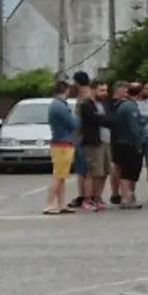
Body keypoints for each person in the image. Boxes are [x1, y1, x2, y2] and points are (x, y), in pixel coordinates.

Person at [77, 79, 113, 211]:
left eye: (106, 90)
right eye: (101, 90)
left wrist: (102, 118)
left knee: (104, 172)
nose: (105, 93)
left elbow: (110, 119)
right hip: (93, 142)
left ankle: (98, 197)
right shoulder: (86, 104)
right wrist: (102, 118)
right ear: (93, 90)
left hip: (106, 142)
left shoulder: (105, 104)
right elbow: (93, 119)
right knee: (93, 173)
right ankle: (87, 199)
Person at [45, 80, 79, 215]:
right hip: (62, 144)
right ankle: (49, 204)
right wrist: (79, 120)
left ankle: (61, 204)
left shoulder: (56, 105)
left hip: (61, 143)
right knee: (58, 175)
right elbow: (72, 124)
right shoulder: (60, 106)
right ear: (66, 90)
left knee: (62, 175)